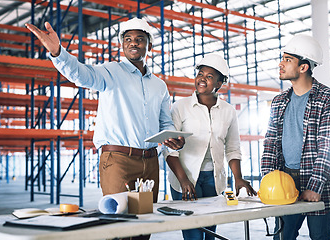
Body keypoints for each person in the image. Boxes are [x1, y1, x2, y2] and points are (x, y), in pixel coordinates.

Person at [25, 17, 184, 234]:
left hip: (150, 162)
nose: (133, 43)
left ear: (149, 44)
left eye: (139, 39)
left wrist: (175, 140)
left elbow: (165, 124)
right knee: (118, 225)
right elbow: (81, 75)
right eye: (128, 39)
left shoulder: (159, 86)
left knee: (145, 225)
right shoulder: (110, 72)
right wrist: (58, 53)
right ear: (122, 45)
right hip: (118, 161)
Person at [165, 53, 257, 240]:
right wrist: (183, 181)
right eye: (200, 74)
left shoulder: (228, 111)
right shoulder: (180, 107)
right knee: (193, 234)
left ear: (219, 84)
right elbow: (169, 149)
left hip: (214, 180)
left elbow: (232, 148)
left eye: (209, 76)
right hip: (185, 177)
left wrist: (238, 178)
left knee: (210, 233)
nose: (202, 79)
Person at [261, 34, 330, 240]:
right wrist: (268, 180)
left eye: (287, 60)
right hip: (285, 181)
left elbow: (328, 147)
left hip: (320, 182)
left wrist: (314, 187)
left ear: (303, 67)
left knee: (320, 236)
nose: (281, 64)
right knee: (282, 237)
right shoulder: (279, 101)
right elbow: (271, 142)